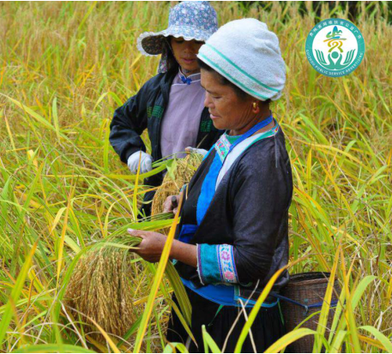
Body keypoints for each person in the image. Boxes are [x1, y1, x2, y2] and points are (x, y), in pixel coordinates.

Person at [128, 19, 292, 352]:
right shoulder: (234, 134)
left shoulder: (263, 164)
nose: (206, 103)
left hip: (233, 321)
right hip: (198, 302)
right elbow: (217, 193)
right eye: (205, 91)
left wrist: (169, 249)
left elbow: (249, 262)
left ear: (254, 99)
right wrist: (182, 201)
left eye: (216, 95)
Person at [109, 1, 223, 218]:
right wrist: (133, 151)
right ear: (169, 43)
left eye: (197, 41)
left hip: (205, 198)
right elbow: (122, 121)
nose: (188, 49)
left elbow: (242, 141)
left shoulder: (225, 92)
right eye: (180, 41)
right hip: (157, 193)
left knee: (190, 250)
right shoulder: (157, 89)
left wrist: (211, 159)